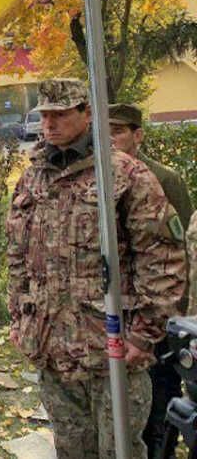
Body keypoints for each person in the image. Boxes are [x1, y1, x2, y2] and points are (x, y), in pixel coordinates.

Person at [6, 78, 186, 459]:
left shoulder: (124, 174)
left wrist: (144, 335)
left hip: (112, 351)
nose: (49, 124)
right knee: (71, 449)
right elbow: (18, 255)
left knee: (120, 449)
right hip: (52, 348)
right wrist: (20, 318)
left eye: (60, 115)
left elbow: (163, 257)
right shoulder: (33, 176)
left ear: (87, 114)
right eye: (45, 116)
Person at [107, 103, 194, 458]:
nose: (110, 139)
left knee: (160, 397)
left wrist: (171, 313)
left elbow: (181, 250)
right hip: (113, 312)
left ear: (137, 135)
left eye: (118, 131)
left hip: (154, 312)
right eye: (104, 131)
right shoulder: (97, 178)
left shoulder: (163, 179)